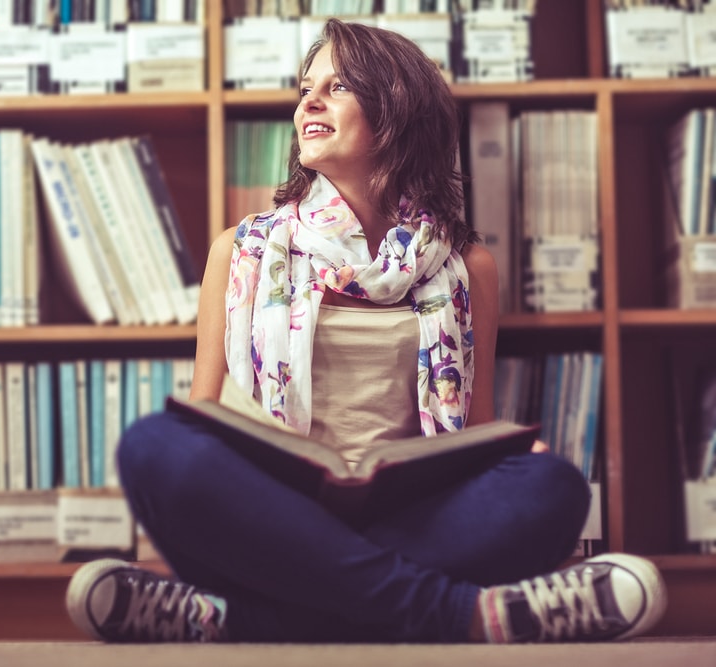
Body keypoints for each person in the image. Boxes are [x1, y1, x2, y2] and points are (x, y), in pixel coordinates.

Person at [65, 19, 667, 644]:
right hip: (273, 515)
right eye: (304, 89)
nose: (309, 103)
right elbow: (206, 418)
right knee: (158, 446)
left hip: (412, 515)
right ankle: (464, 615)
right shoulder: (241, 250)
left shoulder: (466, 266)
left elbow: (476, 431)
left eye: (338, 86)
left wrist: (511, 459)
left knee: (553, 488)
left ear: (396, 110)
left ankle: (237, 618)